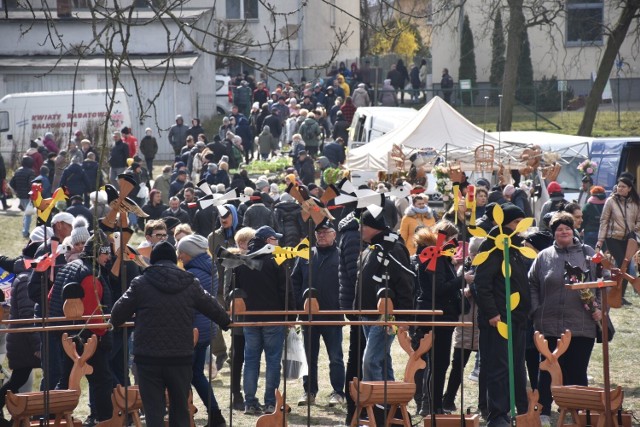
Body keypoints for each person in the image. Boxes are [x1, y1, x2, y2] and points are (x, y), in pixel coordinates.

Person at [110, 241, 230, 427]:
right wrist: (226, 321)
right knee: (180, 409)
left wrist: (116, 324)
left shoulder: (141, 283)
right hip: (180, 357)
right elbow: (212, 306)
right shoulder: (190, 282)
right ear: (175, 261)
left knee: (153, 411)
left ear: (154, 261)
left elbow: (117, 315)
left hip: (148, 358)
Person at [529, 212, 603, 427]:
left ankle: (579, 411)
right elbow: (532, 283)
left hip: (581, 323)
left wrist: (598, 308)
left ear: (574, 231)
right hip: (548, 323)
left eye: (567, 228)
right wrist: (536, 309)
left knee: (577, 368)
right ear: (553, 233)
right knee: (549, 368)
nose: (564, 232)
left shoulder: (588, 253)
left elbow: (600, 281)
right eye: (559, 229)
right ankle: (544, 409)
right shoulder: (544, 256)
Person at [48, 231, 115, 424]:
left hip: (66, 334)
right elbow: (91, 314)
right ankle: (105, 420)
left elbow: (51, 299)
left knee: (67, 378)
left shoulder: (69, 267)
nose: (108, 257)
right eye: (105, 253)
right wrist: (104, 333)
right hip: (88, 338)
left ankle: (55, 419)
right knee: (101, 380)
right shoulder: (90, 274)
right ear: (97, 252)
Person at [474, 204, 530, 426]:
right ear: (504, 222)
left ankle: (517, 410)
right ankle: (497, 414)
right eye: (516, 223)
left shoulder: (513, 247)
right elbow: (482, 283)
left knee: (514, 366)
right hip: (499, 320)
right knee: (498, 367)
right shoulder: (492, 247)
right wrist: (492, 313)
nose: (520, 227)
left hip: (516, 318)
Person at [235, 226, 294, 415]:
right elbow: (286, 291)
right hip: (273, 318)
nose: (278, 243)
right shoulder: (276, 260)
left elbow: (234, 292)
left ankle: (249, 402)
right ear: (268, 241)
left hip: (249, 319)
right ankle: (271, 403)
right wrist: (291, 316)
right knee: (273, 360)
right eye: (275, 239)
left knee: (250, 360)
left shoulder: (242, 261)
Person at [354, 208, 414, 383]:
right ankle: (389, 406)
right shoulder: (372, 249)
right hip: (368, 314)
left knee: (371, 360)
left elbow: (406, 284)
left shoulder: (393, 249)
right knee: (382, 359)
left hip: (387, 315)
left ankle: (377, 405)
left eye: (363, 226)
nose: (360, 230)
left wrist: (404, 317)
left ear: (374, 227)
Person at [413, 221, 466, 415]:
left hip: (441, 314)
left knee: (440, 362)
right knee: (436, 362)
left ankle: (434, 405)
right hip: (435, 314)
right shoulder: (433, 256)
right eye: (453, 241)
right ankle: (430, 405)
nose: (455, 245)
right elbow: (439, 288)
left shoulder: (438, 256)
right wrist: (462, 280)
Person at [291, 223, 345, 407]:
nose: (321, 235)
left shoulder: (341, 255)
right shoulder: (305, 254)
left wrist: (342, 305)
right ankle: (309, 391)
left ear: (334, 234)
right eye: (318, 232)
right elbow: (294, 281)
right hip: (309, 317)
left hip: (333, 315)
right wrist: (300, 305)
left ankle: (338, 392)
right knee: (308, 357)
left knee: (335, 357)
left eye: (325, 232)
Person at [175, 235, 227, 427]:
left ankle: (188, 416)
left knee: (186, 374)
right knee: (196, 374)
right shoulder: (207, 267)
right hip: (206, 327)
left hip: (194, 329)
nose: (179, 256)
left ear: (190, 253)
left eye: (182, 252)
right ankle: (215, 416)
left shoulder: (193, 274)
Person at [596, 174, 640, 305]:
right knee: (622, 263)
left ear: (629, 189)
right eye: (619, 186)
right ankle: (616, 294)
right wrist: (600, 241)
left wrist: (634, 231)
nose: (620, 189)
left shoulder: (635, 202)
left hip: (629, 239)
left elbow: (639, 220)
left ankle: (619, 295)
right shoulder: (610, 201)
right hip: (612, 237)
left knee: (625, 266)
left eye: (623, 186)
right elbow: (604, 221)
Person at [9, 156, 36, 238]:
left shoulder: (18, 171)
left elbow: (11, 183)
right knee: (28, 214)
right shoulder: (31, 172)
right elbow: (31, 184)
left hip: (20, 195)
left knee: (26, 213)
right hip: (28, 195)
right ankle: (25, 232)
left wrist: (17, 190)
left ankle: (25, 230)